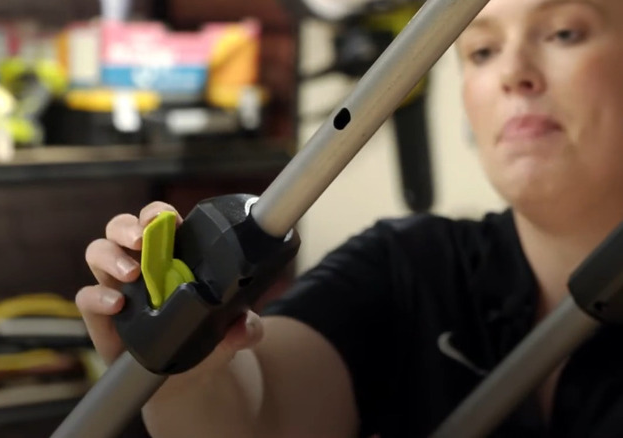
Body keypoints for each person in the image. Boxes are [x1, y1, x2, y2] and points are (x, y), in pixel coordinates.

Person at [76, 0, 623, 436]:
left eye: (563, 34)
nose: (513, 74)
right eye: (482, 51)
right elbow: (259, 415)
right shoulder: (407, 266)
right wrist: (189, 372)